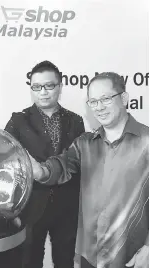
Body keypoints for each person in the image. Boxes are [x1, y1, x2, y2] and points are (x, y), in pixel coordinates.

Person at [29, 72, 149, 268]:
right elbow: (62, 165)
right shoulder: (85, 143)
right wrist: (41, 172)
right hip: (90, 256)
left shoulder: (147, 142)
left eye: (105, 99)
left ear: (124, 98)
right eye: (93, 102)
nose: (99, 107)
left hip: (132, 257)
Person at [5, 60, 85, 268]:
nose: (43, 92)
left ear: (60, 86)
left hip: (67, 205)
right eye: (36, 87)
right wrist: (11, 209)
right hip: (31, 206)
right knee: (29, 261)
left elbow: (78, 162)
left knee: (65, 261)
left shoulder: (75, 121)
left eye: (49, 86)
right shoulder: (18, 121)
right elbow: (7, 168)